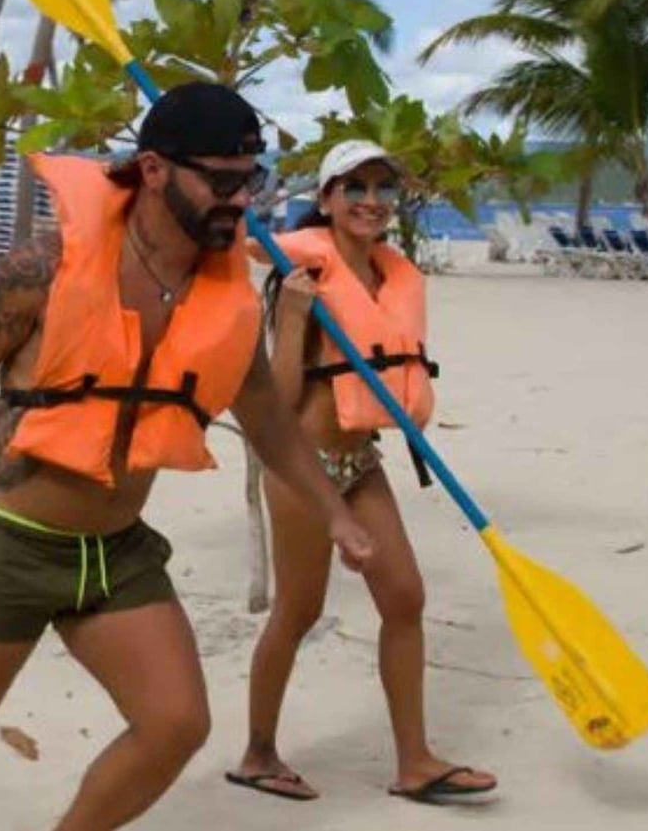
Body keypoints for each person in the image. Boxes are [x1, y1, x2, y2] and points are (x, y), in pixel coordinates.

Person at [0, 84, 375, 831]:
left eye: (251, 179)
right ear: (153, 169)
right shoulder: (44, 267)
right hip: (2, 542)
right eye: (219, 179)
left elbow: (271, 424)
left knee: (176, 722)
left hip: (114, 552)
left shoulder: (227, 297)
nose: (239, 197)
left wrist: (337, 514)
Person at [227, 140, 498, 804]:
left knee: (405, 597)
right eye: (354, 187)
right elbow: (281, 400)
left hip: (359, 461)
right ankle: (259, 752)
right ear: (325, 199)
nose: (371, 200)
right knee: (299, 609)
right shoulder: (302, 278)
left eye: (383, 188)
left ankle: (414, 760)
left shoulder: (391, 274)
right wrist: (291, 316)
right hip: (300, 467)